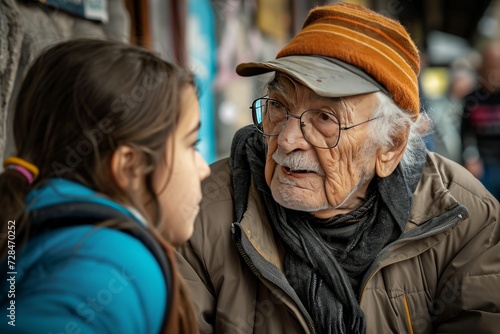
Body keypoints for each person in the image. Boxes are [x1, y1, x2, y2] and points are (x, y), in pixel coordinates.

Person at [177, 3, 500, 334]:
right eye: (277, 106)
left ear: (390, 146)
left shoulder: (465, 219)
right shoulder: (199, 213)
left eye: (325, 118)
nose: (287, 140)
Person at [0, 38, 210, 333]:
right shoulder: (113, 268)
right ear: (129, 166)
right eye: (191, 144)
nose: (203, 169)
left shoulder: (45, 231)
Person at [461, 41, 500, 199]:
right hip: (483, 164)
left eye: (497, 65)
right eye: (490, 65)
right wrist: (471, 157)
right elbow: (465, 133)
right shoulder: (472, 98)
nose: (494, 71)